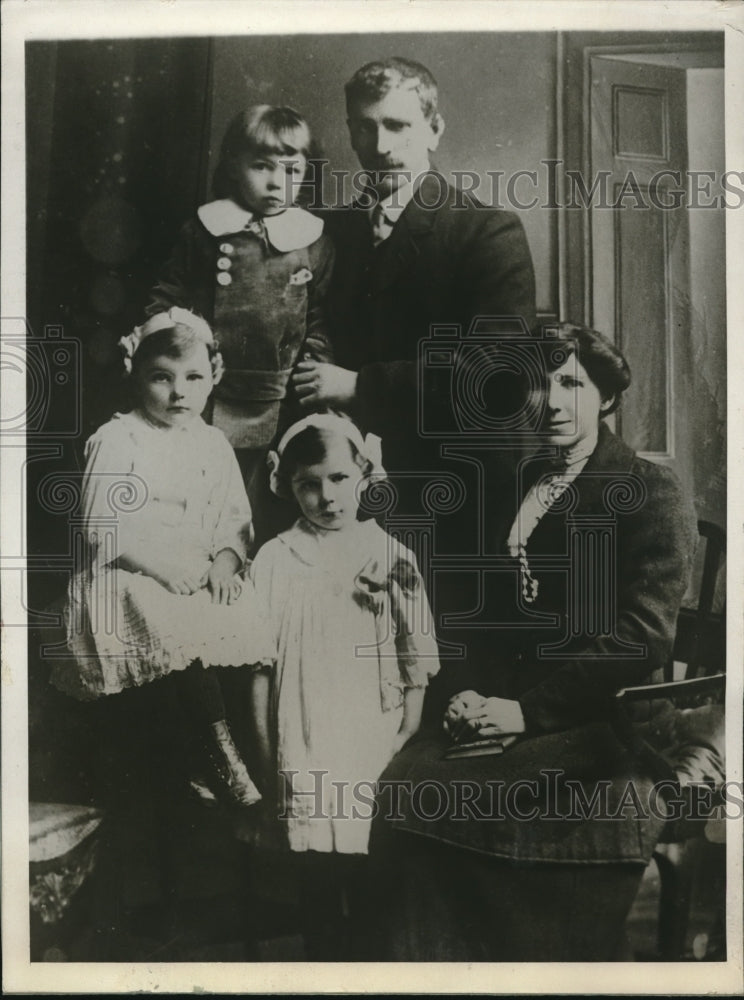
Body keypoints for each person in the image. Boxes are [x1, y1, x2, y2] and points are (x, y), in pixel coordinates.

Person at [367, 322, 700, 961]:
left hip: (607, 718)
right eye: (536, 384)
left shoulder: (648, 489)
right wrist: (464, 687)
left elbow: (644, 636)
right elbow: (483, 610)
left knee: (456, 796)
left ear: (605, 397)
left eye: (570, 382)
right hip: (510, 703)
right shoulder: (521, 481)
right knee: (405, 781)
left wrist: (527, 712)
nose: (550, 401)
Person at [291, 57, 537, 538]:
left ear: (434, 128)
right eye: (364, 128)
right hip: (343, 493)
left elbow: (499, 371)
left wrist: (362, 386)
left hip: (456, 489)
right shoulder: (331, 231)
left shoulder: (487, 230)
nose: (380, 147)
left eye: (397, 125)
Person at [51, 308, 275, 807]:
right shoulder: (119, 438)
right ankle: (216, 756)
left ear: (212, 379)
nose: (179, 393)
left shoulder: (213, 443)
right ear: (136, 375)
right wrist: (163, 569)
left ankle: (233, 752)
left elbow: (235, 520)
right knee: (170, 620)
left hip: (196, 570)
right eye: (162, 377)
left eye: (193, 378)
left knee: (244, 613)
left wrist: (225, 561)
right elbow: (100, 527)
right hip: (130, 570)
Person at [249, 412, 440, 959]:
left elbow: (416, 648)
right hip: (302, 730)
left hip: (368, 730)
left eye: (337, 479)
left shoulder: (391, 556)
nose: (326, 497)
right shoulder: (275, 561)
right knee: (314, 872)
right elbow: (259, 666)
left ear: (364, 475)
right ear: (287, 486)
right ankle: (322, 966)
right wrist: (268, 753)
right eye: (308, 484)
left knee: (371, 862)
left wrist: (409, 725)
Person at [147, 105, 334, 545]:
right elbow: (169, 293)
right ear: (234, 165)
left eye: (290, 170)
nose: (275, 182)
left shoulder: (314, 240)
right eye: (262, 167)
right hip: (209, 389)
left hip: (280, 393)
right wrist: (168, 333)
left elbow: (321, 315)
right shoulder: (205, 229)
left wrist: (317, 359)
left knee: (265, 496)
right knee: (201, 485)